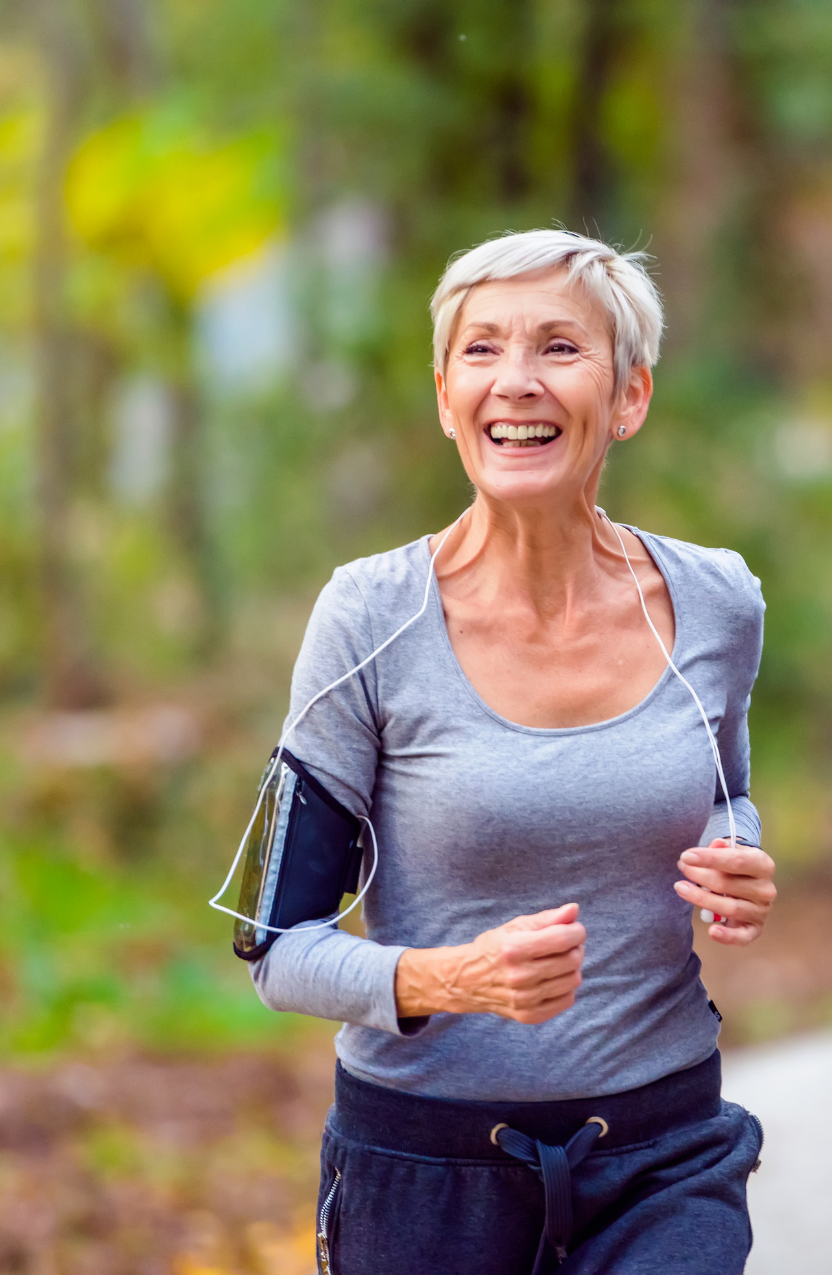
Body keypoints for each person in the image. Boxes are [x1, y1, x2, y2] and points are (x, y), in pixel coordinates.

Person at [241, 230, 775, 1274]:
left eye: (560, 348)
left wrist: (736, 854)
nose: (516, 382)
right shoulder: (369, 618)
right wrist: (455, 978)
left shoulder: (715, 601)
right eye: (482, 351)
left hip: (665, 1155)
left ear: (628, 398)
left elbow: (728, 792)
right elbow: (277, 945)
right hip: (425, 1174)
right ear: (446, 398)